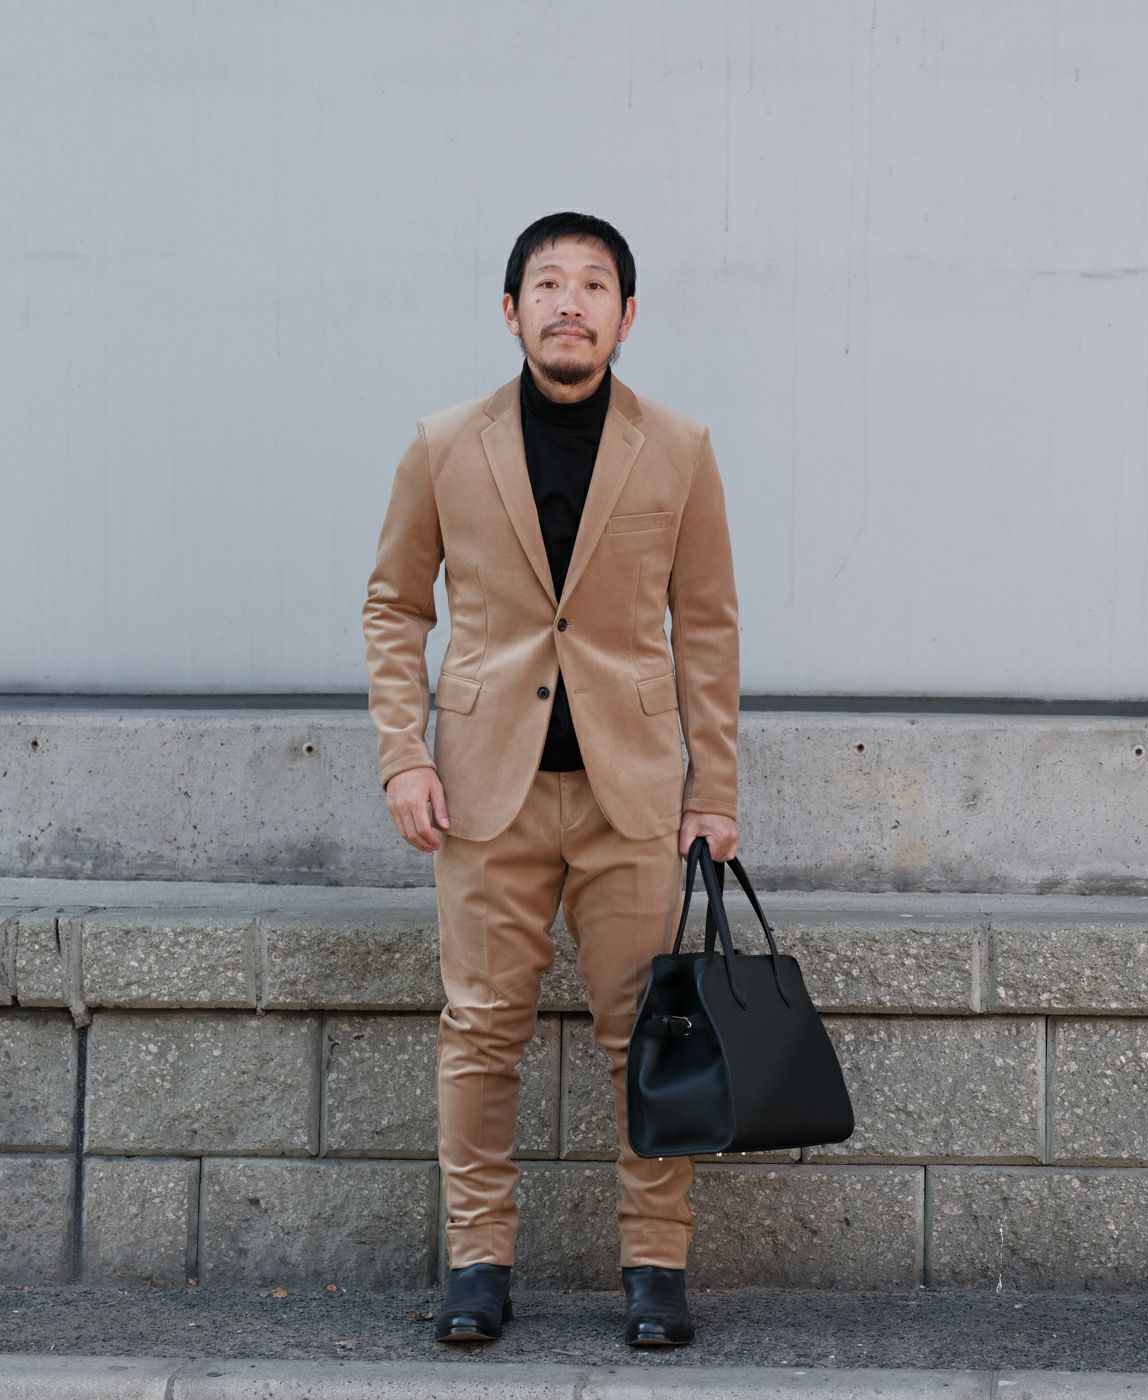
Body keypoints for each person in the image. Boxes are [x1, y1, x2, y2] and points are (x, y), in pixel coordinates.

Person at [361, 211, 740, 1347]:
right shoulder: (444, 443)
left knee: (649, 1037)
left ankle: (656, 1265)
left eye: (592, 284)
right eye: (547, 283)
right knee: (480, 1033)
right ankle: (477, 1262)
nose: (569, 302)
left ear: (627, 315)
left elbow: (707, 626)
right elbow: (394, 606)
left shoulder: (679, 447)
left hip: (636, 796)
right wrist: (404, 754)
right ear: (511, 309)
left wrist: (713, 791)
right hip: (487, 794)